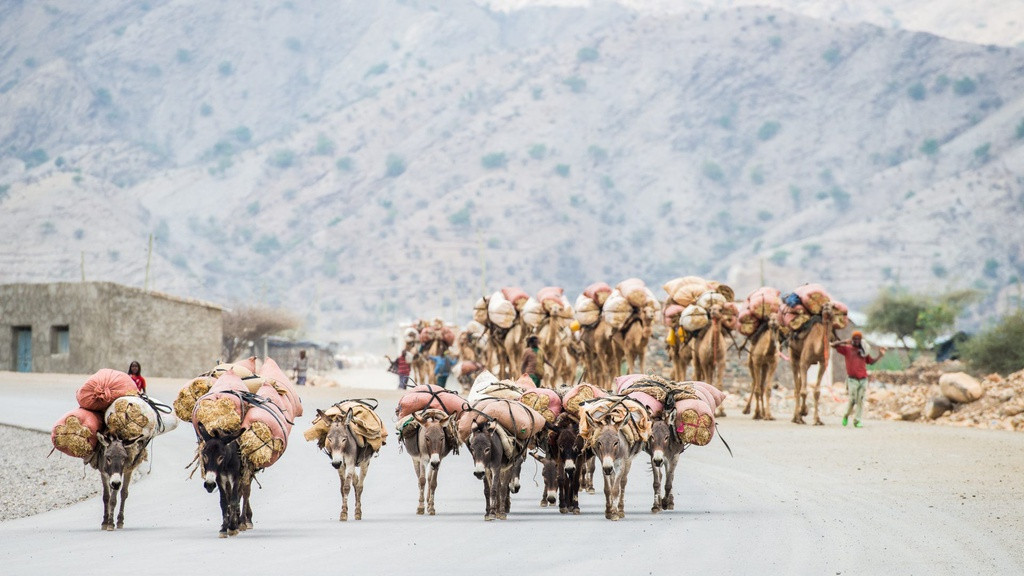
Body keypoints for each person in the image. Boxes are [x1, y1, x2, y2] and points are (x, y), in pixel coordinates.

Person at [832, 331, 886, 428]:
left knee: (861, 400)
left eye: (858, 339)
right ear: (852, 340)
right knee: (852, 400)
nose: (856, 341)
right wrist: (844, 341)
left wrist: (880, 355)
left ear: (861, 340)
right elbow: (833, 345)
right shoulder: (847, 349)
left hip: (863, 380)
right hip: (852, 380)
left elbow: (871, 362)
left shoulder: (864, 351)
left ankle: (857, 420)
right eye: (855, 339)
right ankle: (846, 415)